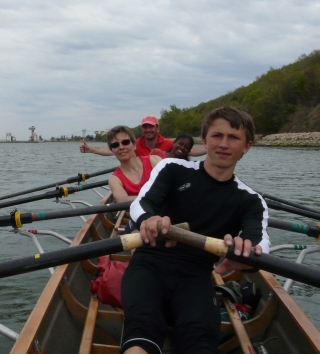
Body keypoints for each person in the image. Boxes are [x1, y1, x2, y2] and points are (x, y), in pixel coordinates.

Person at [121, 106, 270, 354]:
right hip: (149, 264)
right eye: (217, 135)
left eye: (233, 137)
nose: (223, 144)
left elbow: (260, 242)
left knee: (200, 339)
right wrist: (148, 219)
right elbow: (141, 204)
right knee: (141, 330)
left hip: (196, 276)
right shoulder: (173, 169)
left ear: (247, 147)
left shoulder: (251, 200)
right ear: (205, 139)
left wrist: (250, 255)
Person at [80, 116, 207, 157]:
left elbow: (191, 151)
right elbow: (113, 149)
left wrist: (211, 147)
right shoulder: (134, 144)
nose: (148, 130)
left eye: (151, 126)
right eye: (145, 127)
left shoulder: (168, 143)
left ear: (158, 128)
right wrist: (91, 149)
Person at [106, 125, 162, 203]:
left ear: (134, 145)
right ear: (112, 150)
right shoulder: (114, 179)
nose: (121, 147)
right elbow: (122, 200)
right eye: (115, 145)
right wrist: (153, 197)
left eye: (125, 142)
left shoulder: (154, 161)